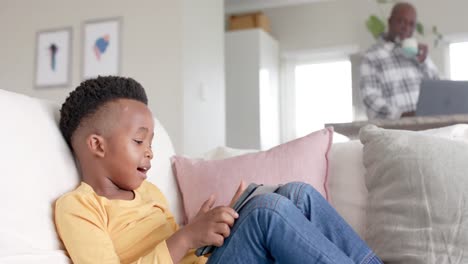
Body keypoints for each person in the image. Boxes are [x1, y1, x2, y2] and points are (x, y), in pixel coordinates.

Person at [55, 76, 383, 264]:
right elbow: (175, 248)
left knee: (296, 193)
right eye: (140, 141)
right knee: (267, 212)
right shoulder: (79, 207)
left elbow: (182, 252)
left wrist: (206, 228)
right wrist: (185, 237)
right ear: (97, 146)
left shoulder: (148, 192)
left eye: (151, 141)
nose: (150, 152)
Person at [360, 2, 439, 120]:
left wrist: (423, 61)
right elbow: (370, 98)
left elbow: (439, 87)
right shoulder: (371, 57)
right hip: (395, 131)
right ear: (390, 21)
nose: (406, 28)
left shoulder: (419, 54)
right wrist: (402, 116)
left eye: (411, 24)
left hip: (427, 129)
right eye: (401, 21)